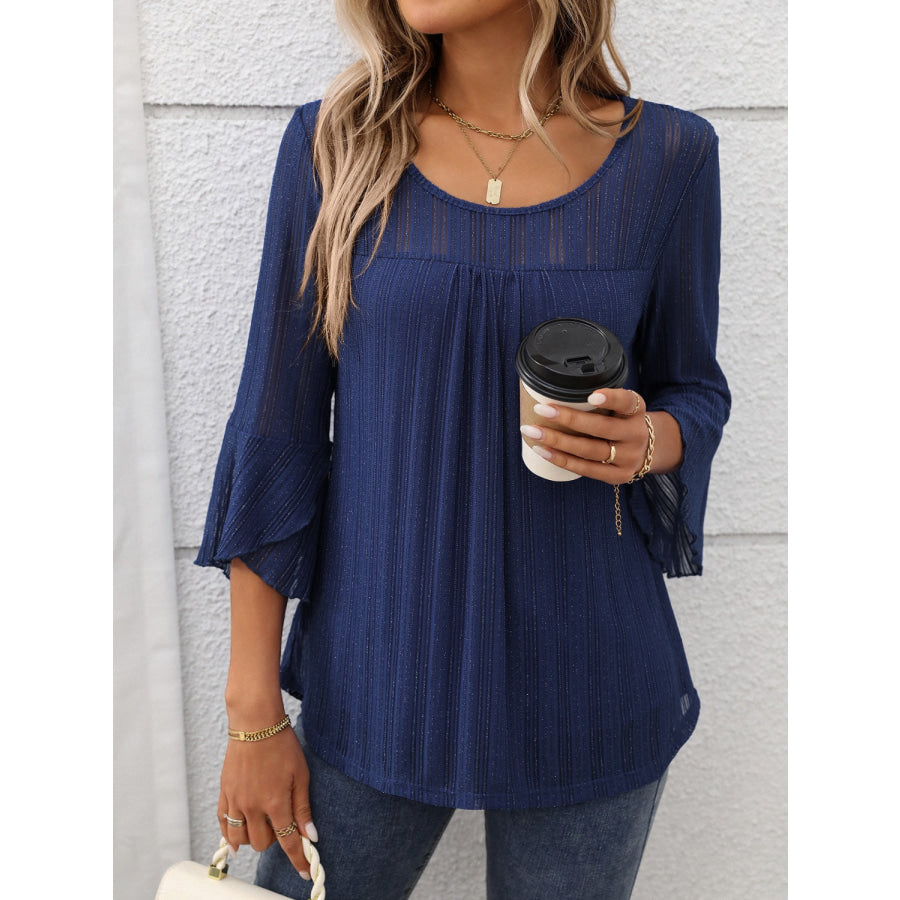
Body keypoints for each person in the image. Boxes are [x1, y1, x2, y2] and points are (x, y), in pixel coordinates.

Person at [195, 0, 731, 897]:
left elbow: (695, 389)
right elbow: (275, 430)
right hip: (377, 676)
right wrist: (253, 712)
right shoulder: (336, 145)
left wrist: (652, 440)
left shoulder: (669, 157)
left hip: (590, 676)